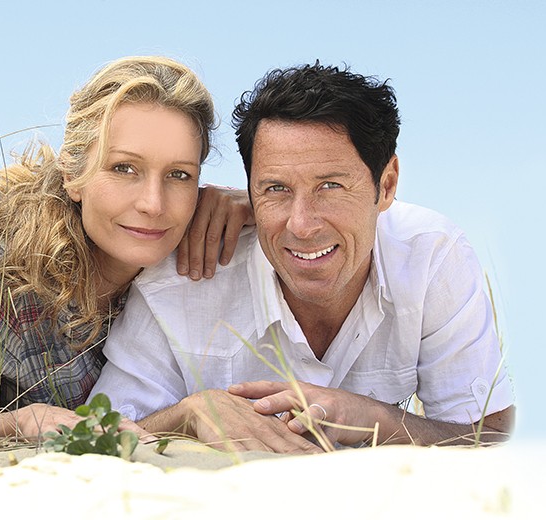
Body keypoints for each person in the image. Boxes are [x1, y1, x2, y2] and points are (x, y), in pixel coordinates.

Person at [90, 62, 515, 454]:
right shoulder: (176, 280)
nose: (302, 225)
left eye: (330, 186)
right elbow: (98, 440)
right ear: (248, 190)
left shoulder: (431, 257)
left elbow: (490, 435)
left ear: (386, 185)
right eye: (276, 189)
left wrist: (377, 420)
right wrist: (188, 415)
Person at [0, 56, 252, 439]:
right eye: (124, 168)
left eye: (179, 175)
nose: (153, 204)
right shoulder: (8, 286)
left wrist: (262, 203)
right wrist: (18, 422)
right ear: (73, 176)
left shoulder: (201, 244)